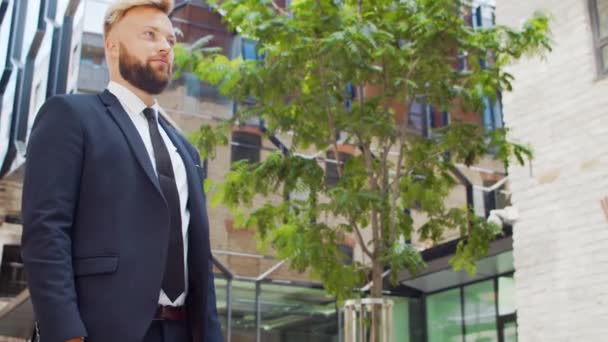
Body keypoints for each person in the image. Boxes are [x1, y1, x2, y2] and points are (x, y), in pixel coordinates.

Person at [20, 1, 222, 341]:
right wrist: (65, 333)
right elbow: (46, 231)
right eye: (149, 34)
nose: (164, 46)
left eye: (171, 41)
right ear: (112, 46)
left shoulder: (186, 151)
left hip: (181, 330)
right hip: (99, 330)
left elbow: (199, 257)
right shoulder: (71, 116)